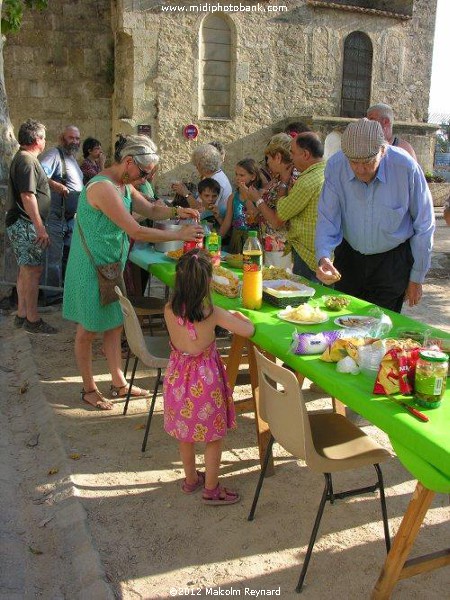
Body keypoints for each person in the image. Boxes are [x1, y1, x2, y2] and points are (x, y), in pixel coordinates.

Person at [62, 134, 204, 410]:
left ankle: (118, 383)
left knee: (115, 324)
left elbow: (150, 208)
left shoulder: (123, 185)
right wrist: (181, 232)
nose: (145, 178)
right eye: (144, 172)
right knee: (88, 330)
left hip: (111, 266)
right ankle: (89, 389)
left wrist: (179, 210)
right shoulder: (103, 188)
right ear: (128, 162)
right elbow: (135, 229)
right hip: (91, 268)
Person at [163, 249, 254, 504]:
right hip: (206, 382)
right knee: (213, 436)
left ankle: (191, 479)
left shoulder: (168, 308)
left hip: (178, 379)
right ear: (207, 283)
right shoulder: (212, 313)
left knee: (186, 433)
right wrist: (241, 317)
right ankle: (212, 488)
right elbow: (248, 330)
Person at [315, 118, 435, 313]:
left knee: (382, 329)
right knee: (345, 323)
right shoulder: (336, 167)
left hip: (391, 262)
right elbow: (327, 218)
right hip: (350, 258)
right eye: (354, 162)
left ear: (383, 150)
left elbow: (424, 225)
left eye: (368, 162)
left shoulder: (406, 168)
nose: (361, 169)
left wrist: (416, 277)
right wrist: (323, 257)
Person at [5, 119, 57, 334]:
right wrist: (40, 228)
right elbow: (28, 195)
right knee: (33, 271)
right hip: (26, 223)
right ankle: (33, 320)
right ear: (37, 139)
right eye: (43, 137)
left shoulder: (25, 159)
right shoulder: (27, 161)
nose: (45, 141)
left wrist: (54, 185)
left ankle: (22, 314)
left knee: (25, 271)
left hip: (23, 222)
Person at [39, 125, 84, 303]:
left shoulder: (71, 159)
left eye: (77, 138)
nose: (75, 141)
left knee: (67, 256)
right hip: (55, 216)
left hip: (69, 218)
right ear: (61, 138)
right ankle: (51, 296)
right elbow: (39, 174)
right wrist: (55, 185)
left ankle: (62, 292)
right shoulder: (54, 155)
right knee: (53, 257)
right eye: (71, 137)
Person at [273, 132, 325, 281]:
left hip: (307, 255)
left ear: (306, 154)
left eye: (293, 153)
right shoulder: (328, 170)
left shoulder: (308, 181)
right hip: (321, 253)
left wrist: (283, 183)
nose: (291, 158)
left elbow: (281, 213)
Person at [240, 133, 297, 268]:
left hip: (281, 250)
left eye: (268, 158)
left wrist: (258, 200)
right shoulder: (278, 178)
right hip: (270, 245)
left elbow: (278, 219)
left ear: (278, 157)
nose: (267, 162)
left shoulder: (291, 179)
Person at [171, 144, 232, 220]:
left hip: (213, 223)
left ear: (200, 164)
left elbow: (201, 208)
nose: (196, 167)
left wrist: (185, 193)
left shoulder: (216, 181)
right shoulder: (217, 175)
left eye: (196, 164)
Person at [219, 159, 263, 254]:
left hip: (253, 241)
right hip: (236, 240)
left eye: (242, 175)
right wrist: (216, 240)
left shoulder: (259, 195)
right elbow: (227, 223)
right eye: (236, 174)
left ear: (253, 177)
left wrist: (246, 196)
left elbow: (255, 217)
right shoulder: (233, 197)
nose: (237, 178)